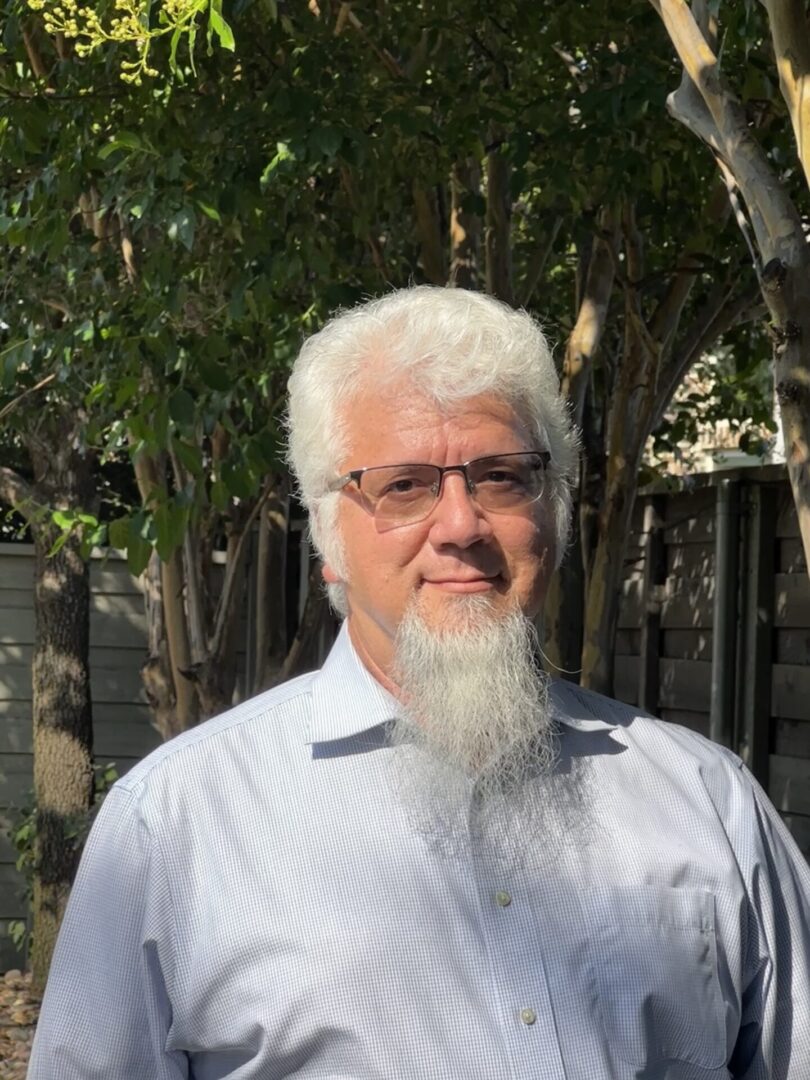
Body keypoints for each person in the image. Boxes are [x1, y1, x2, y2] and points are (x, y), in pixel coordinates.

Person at [29, 286, 810, 1079]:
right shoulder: (177, 827)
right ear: (330, 539)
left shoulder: (707, 803)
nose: (462, 525)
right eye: (404, 485)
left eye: (502, 476)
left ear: (554, 515)